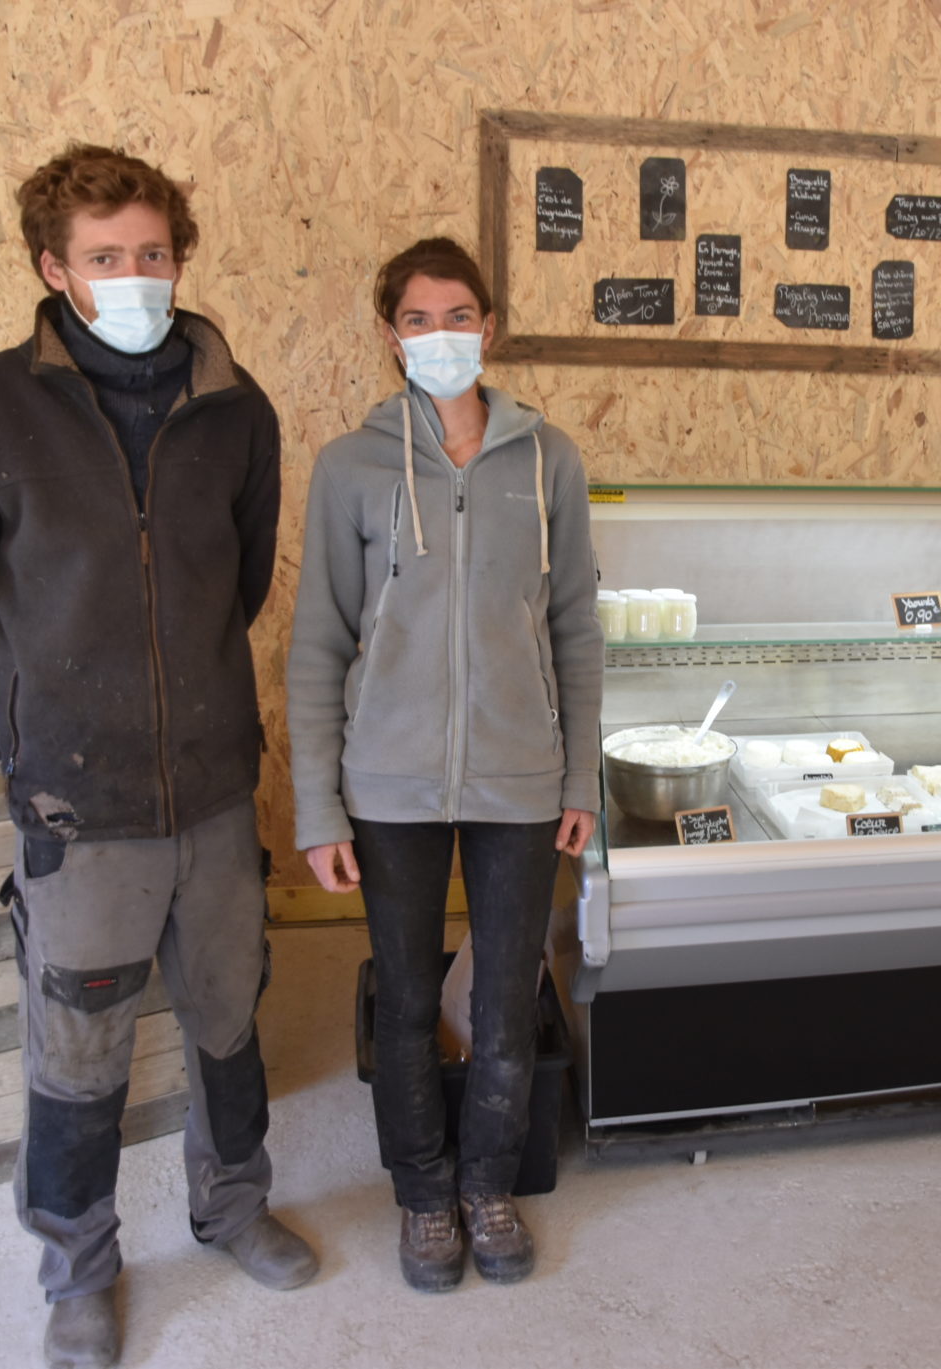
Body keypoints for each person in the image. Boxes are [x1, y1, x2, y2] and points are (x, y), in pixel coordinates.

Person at [0, 143, 315, 1368]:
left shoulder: (235, 408)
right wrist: (14, 741)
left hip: (215, 791)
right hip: (77, 807)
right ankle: (77, 1266)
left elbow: (237, 580)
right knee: (77, 1054)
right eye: (105, 256)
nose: (136, 275)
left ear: (179, 256)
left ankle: (231, 1205)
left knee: (227, 1018)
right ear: (54, 269)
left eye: (153, 252)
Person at [288, 236, 601, 1291]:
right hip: (390, 785)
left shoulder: (548, 461)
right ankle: (424, 1195)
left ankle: (487, 1185)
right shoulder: (351, 466)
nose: (439, 335)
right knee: (409, 1003)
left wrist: (578, 780)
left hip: (520, 778)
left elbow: (576, 630)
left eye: (457, 315)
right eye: (417, 320)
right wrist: (318, 808)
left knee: (507, 1001)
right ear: (391, 337)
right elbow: (318, 644)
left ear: (489, 327)